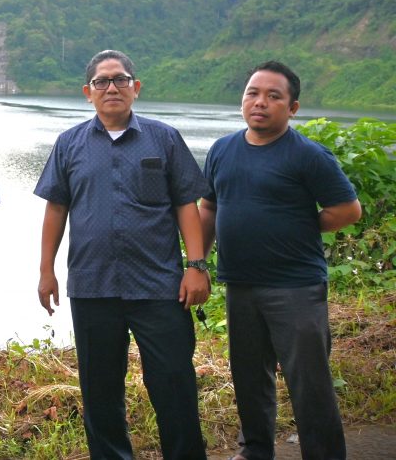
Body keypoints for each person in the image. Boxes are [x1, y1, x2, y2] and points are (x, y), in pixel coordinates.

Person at [34, 49, 210, 460]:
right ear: (87, 92)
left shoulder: (164, 138)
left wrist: (196, 266)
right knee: (100, 389)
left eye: (121, 79)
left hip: (159, 285)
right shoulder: (69, 144)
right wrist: (46, 271)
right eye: (102, 81)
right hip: (93, 286)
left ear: (136, 88)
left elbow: (187, 203)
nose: (111, 87)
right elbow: (56, 208)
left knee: (173, 382)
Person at [199, 61, 361, 460]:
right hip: (240, 285)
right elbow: (208, 207)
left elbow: (348, 209)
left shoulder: (307, 155)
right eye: (253, 93)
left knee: (309, 383)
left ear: (292, 108)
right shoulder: (222, 150)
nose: (260, 102)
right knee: (250, 378)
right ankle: (255, 450)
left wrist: (301, 226)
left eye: (274, 96)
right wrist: (196, 262)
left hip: (296, 288)